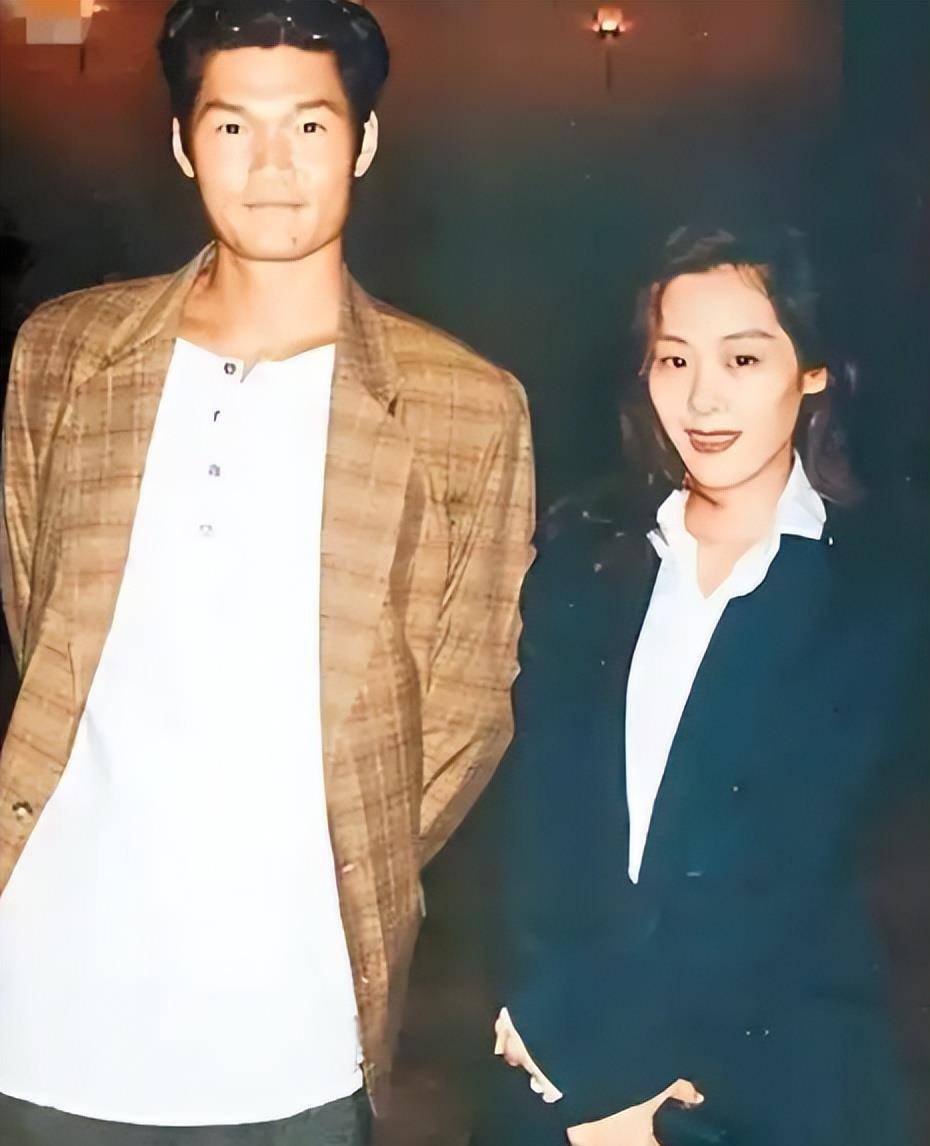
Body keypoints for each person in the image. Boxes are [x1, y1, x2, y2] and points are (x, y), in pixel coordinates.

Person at [0, 2, 534, 1143]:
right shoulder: (66, 353)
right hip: (43, 997)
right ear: (183, 142)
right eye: (234, 127)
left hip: (292, 1020)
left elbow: (466, 707)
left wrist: (322, 857)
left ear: (365, 143)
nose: (274, 167)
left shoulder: (466, 406)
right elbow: (36, 611)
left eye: (311, 125)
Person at [478, 225, 927, 1145]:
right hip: (563, 1069)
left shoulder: (881, 591)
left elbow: (817, 882)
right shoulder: (585, 556)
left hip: (768, 1087)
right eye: (674, 358)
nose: (702, 398)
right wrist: (562, 1040)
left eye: (743, 359)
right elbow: (539, 825)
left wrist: (656, 1096)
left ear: (814, 371)